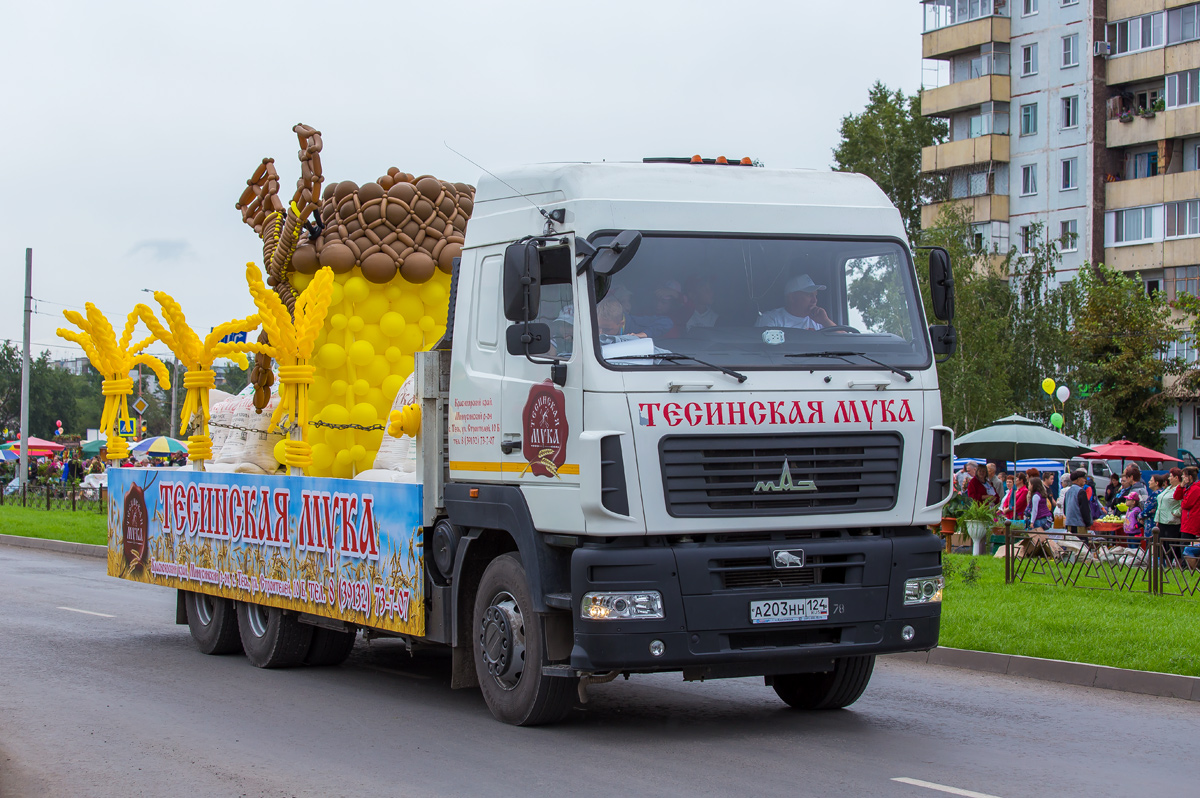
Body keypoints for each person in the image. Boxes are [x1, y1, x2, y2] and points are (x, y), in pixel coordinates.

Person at [755, 274, 835, 330]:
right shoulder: (771, 319)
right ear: (792, 297)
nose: (814, 300)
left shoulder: (818, 320)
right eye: (809, 295)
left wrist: (825, 321)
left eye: (815, 295)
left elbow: (842, 339)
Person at [1157, 468, 1184, 558]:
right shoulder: (1168, 488)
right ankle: (1165, 567)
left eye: (1171, 476)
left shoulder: (1179, 489)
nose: (1169, 478)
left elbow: (1183, 504)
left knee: (1172, 548)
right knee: (1163, 547)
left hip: (1172, 522)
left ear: (1176, 477)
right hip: (1162, 521)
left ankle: (1176, 567)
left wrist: (1176, 512)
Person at [1062, 469, 1094, 542]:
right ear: (1078, 479)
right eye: (1083, 478)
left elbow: (1065, 509)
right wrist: (1088, 523)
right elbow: (1084, 509)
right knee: (1081, 547)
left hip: (1069, 524)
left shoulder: (1068, 492)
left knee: (1072, 545)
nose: (1085, 480)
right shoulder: (1081, 491)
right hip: (1079, 524)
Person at [1176, 466, 1200, 554]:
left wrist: (1183, 502)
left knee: (1186, 547)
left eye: (1184, 475)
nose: (1182, 477)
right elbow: (1176, 497)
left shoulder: (1196, 488)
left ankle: (1186, 566)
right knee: (1184, 546)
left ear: (1189, 477)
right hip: (1186, 522)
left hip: (1191, 523)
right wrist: (1181, 486)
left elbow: (1186, 504)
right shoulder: (1187, 488)